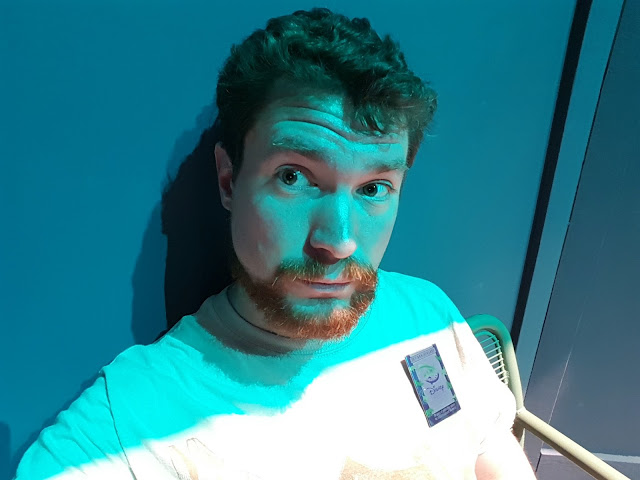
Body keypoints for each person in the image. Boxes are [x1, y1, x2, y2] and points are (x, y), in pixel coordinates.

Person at [14, 7, 536, 479]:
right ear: (228, 181)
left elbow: (489, 448)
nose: (339, 242)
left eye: (374, 188)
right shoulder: (131, 427)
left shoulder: (425, 312)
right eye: (294, 177)